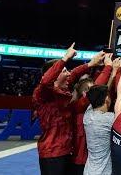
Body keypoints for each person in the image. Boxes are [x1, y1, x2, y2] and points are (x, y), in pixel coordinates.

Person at [32, 43, 104, 175]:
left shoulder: (61, 90)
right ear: (55, 75)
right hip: (52, 154)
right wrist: (65, 58)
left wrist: (91, 64)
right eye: (64, 71)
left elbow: (74, 74)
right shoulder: (42, 93)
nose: (68, 73)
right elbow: (46, 81)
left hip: (68, 151)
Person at [83, 85, 114, 175]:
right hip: (104, 172)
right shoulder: (110, 119)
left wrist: (112, 75)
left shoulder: (87, 115)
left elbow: (95, 96)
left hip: (88, 171)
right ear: (107, 99)